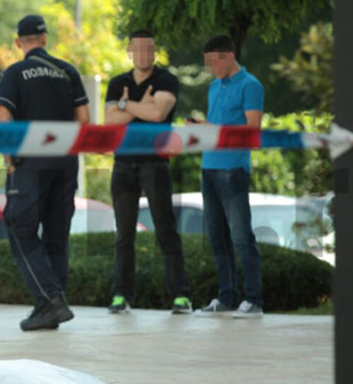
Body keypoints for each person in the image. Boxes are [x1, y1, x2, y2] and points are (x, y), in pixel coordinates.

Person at [0, 14, 90, 331]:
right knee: (57, 233)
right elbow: (84, 120)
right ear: (45, 39)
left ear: (19, 42)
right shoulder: (68, 71)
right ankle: (48, 308)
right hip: (65, 162)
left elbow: (4, 117)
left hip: (29, 163)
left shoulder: (15, 72)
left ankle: (50, 300)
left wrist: (9, 157)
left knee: (19, 226)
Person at [103, 30, 193, 314]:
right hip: (123, 165)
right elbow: (109, 121)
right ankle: (121, 296)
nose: (144, 54)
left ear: (155, 51)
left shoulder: (167, 80)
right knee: (123, 235)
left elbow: (157, 116)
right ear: (130, 50)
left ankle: (181, 296)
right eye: (139, 49)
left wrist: (125, 105)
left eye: (149, 49)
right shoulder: (118, 82)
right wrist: (141, 106)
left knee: (165, 230)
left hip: (155, 164)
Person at [195, 34, 264, 318]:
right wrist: (203, 127)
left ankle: (254, 299)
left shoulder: (251, 85)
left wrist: (217, 131)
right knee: (216, 236)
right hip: (209, 167)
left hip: (233, 168)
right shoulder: (214, 86)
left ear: (227, 56)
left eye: (213, 63)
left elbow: (252, 128)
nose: (211, 69)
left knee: (240, 236)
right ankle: (226, 297)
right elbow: (219, 125)